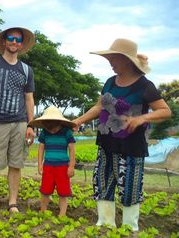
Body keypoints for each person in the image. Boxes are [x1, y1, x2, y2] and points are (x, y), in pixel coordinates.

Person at [73, 38, 172, 231]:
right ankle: (105, 224)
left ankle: (129, 228)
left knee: (130, 184)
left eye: (113, 59)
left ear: (126, 60)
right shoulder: (110, 82)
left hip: (131, 146)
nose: (110, 63)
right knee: (103, 180)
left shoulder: (145, 85)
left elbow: (165, 111)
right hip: (106, 142)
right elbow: (99, 106)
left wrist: (141, 119)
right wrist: (78, 120)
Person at [0, 27, 36, 212]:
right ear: (4, 41)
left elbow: (29, 99)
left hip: (19, 123)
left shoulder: (27, 70)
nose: (14, 42)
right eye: (11, 38)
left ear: (21, 44)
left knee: (16, 163)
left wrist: (30, 125)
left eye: (18, 40)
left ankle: (13, 202)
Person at [28, 106, 76, 217]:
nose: (51, 131)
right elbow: (41, 149)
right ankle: (43, 211)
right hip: (48, 166)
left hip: (63, 167)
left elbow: (72, 149)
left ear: (59, 122)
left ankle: (62, 214)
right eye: (49, 128)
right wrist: (40, 164)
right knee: (45, 191)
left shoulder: (67, 132)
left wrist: (71, 166)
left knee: (63, 192)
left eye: (53, 128)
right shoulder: (45, 132)